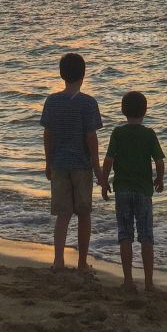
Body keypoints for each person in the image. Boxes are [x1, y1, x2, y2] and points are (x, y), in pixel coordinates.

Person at [40, 52, 103, 272]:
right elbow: (91, 139)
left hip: (59, 164)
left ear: (61, 75)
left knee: (63, 215)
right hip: (81, 166)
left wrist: (48, 163)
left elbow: (47, 135)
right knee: (84, 214)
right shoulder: (88, 103)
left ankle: (58, 260)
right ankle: (82, 263)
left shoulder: (52, 101)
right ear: (84, 75)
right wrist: (98, 169)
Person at [100, 90, 165, 292]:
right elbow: (159, 161)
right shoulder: (149, 134)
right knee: (146, 236)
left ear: (123, 111)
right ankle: (148, 283)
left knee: (125, 235)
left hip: (122, 191)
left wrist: (104, 182)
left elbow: (108, 161)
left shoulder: (118, 133)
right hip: (144, 192)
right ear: (145, 111)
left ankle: (128, 280)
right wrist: (159, 179)